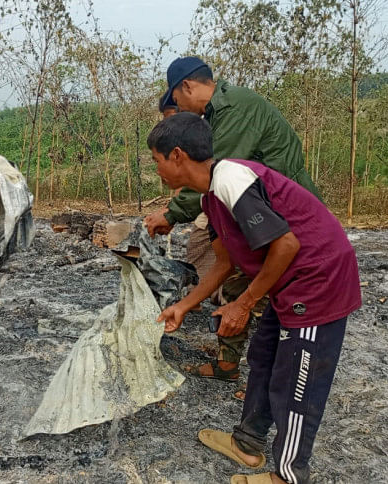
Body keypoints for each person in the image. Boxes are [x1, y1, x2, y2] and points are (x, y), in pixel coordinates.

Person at [149, 113, 361, 484]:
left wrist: (243, 303)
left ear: (178, 155)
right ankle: (247, 443)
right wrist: (183, 306)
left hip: (317, 279)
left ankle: (289, 474)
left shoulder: (232, 179)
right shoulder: (211, 197)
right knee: (263, 357)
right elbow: (224, 263)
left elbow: (286, 243)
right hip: (286, 283)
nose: (157, 170)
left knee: (297, 377)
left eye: (157, 160)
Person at [144, 56, 322, 382]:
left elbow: (211, 169)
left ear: (186, 86)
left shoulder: (233, 116)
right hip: (260, 216)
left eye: (176, 101)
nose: (179, 108)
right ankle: (234, 364)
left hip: (287, 222)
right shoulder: (216, 182)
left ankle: (278, 371)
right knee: (233, 274)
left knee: (267, 296)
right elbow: (223, 261)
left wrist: (172, 214)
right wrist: (184, 305)